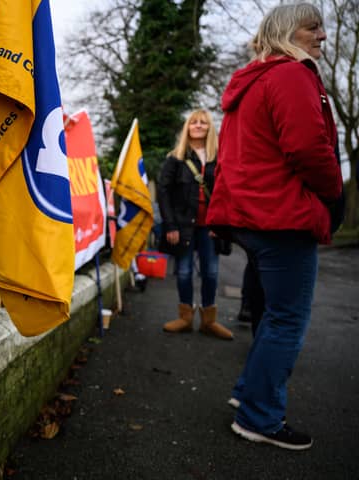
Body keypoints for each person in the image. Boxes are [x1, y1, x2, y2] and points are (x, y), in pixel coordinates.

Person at [207, 3, 343, 450]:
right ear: (287, 31)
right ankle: (259, 418)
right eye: (313, 27)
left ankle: (249, 395)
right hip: (282, 215)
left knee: (271, 316)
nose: (322, 35)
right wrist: (332, 194)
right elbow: (308, 146)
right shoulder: (290, 75)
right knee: (286, 320)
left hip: (254, 214)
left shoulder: (253, 82)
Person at [157, 109, 233, 340]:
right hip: (181, 227)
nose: (198, 126)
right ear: (187, 127)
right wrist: (170, 226)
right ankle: (185, 318)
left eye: (203, 122)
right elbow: (163, 192)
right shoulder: (175, 159)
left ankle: (209, 321)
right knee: (184, 272)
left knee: (211, 272)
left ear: (210, 128)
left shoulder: (220, 158)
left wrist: (220, 224)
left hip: (210, 227)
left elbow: (226, 192)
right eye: (194, 122)